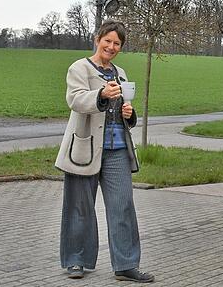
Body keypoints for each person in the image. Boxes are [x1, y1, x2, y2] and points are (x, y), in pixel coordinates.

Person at [54, 20, 154, 283]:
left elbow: (124, 107)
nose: (111, 46)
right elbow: (75, 99)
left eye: (117, 43)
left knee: (122, 207)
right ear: (97, 39)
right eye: (107, 40)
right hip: (85, 147)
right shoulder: (80, 68)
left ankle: (126, 264)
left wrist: (129, 114)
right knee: (79, 207)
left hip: (117, 148)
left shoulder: (120, 73)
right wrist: (100, 94)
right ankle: (76, 260)